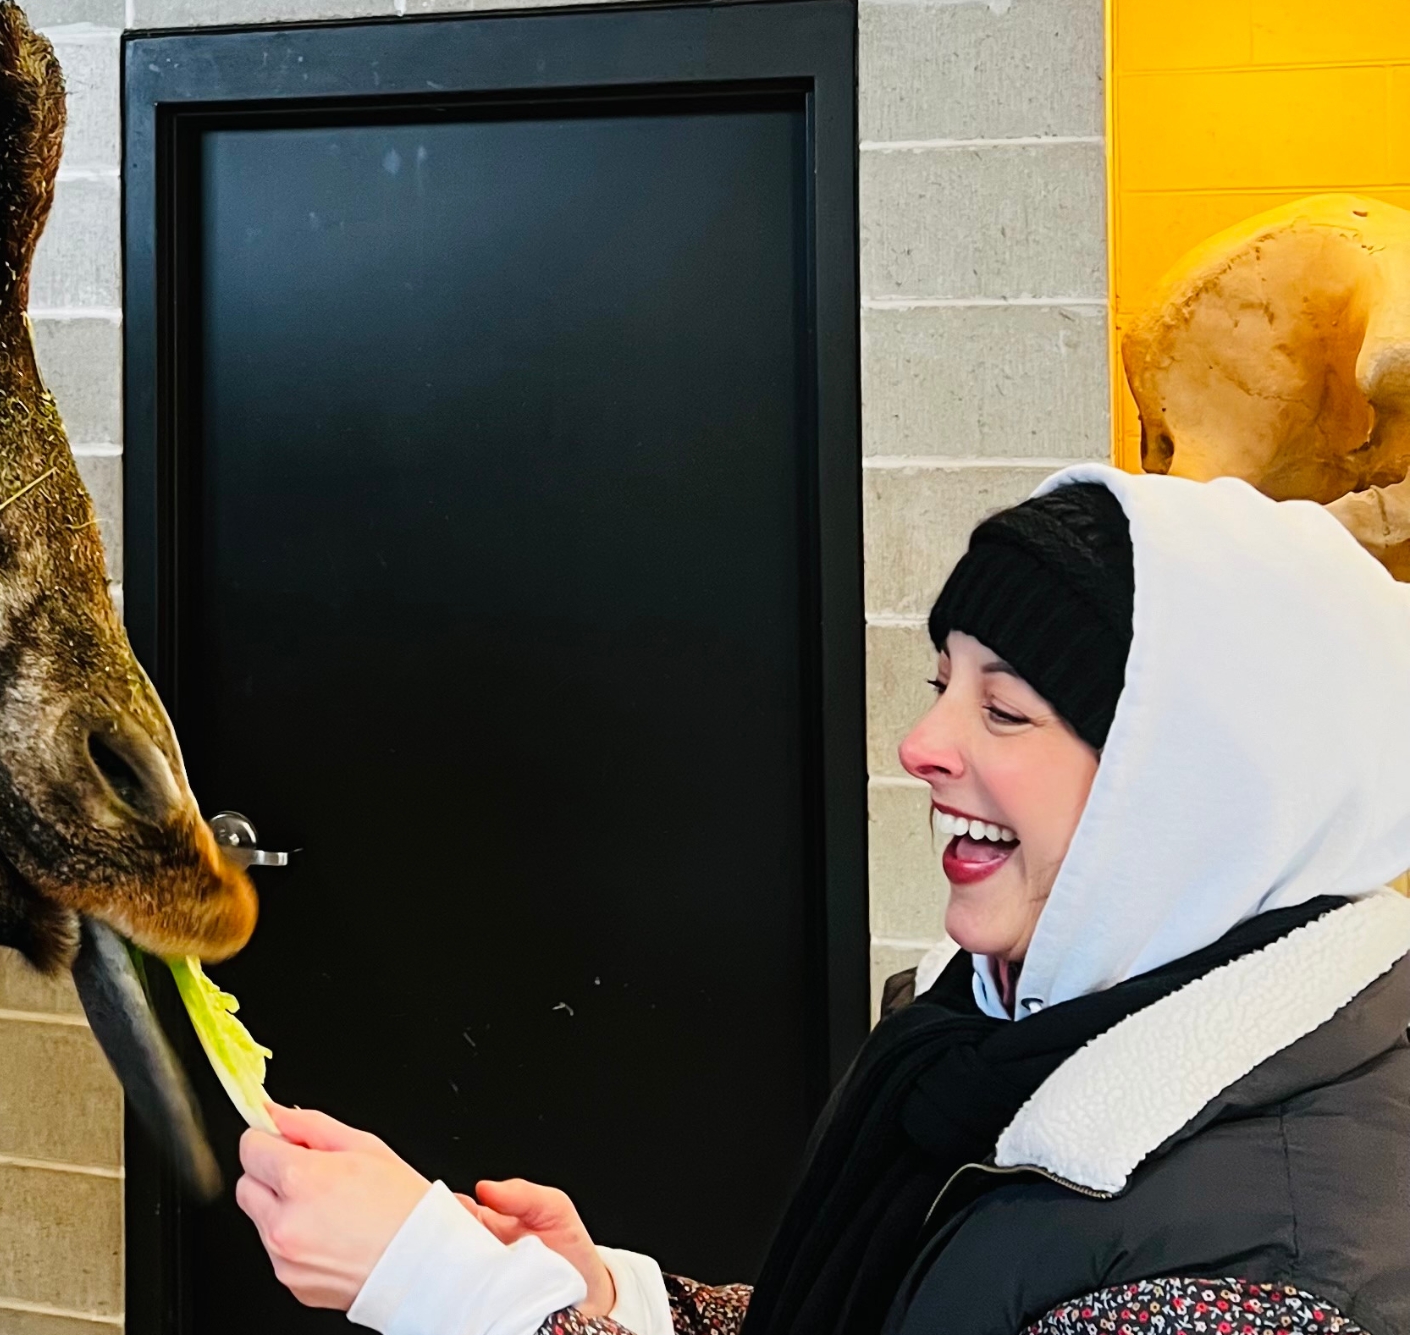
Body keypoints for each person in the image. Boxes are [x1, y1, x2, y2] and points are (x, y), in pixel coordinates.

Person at [235, 466, 1410, 1335]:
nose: (919, 745)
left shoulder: (1263, 1282)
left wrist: (457, 1295)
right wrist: (612, 1301)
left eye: (1004, 711)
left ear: (1194, 796)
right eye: (939, 684)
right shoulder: (1019, 1041)